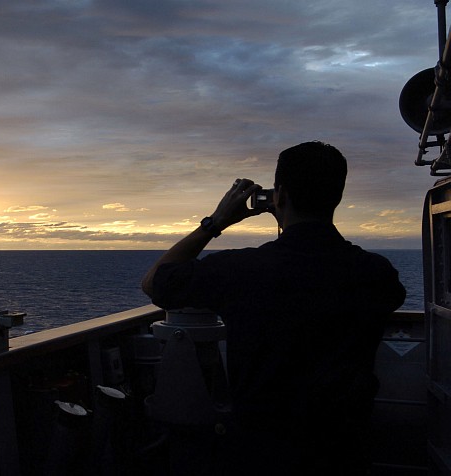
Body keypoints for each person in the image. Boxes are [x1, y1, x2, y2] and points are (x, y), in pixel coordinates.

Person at [141, 141, 406, 475]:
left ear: (279, 196)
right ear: (337, 197)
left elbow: (155, 283)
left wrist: (216, 222)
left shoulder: (240, 270)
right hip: (344, 451)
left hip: (262, 453)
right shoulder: (377, 274)